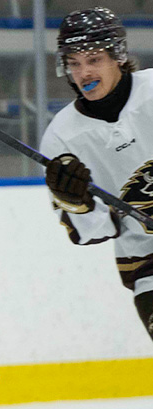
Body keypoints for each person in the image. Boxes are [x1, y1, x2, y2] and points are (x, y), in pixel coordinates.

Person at [41, 7, 153, 343]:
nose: (83, 72)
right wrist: (77, 204)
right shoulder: (60, 139)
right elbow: (92, 232)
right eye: (74, 63)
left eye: (93, 59)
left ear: (118, 56)